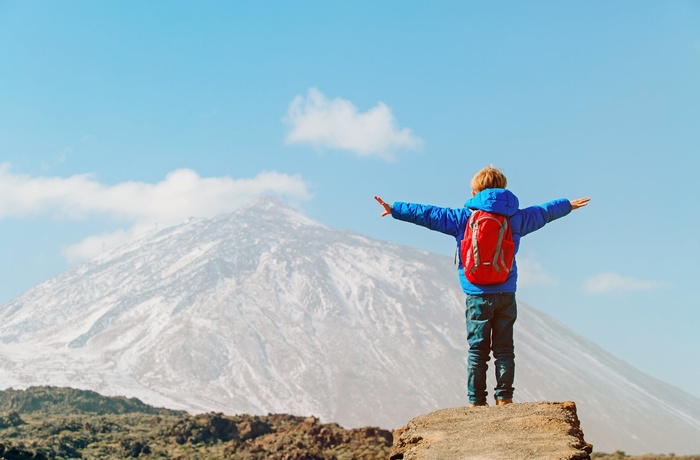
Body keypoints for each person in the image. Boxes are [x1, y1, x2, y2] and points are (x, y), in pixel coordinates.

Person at [374, 166, 589, 407]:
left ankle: (476, 402)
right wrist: (567, 205)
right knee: (504, 349)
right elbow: (544, 212)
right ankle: (504, 398)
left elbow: (428, 214)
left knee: (478, 351)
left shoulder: (463, 218)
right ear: (503, 188)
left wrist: (395, 209)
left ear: (475, 190)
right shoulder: (515, 217)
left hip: (476, 294)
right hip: (506, 292)